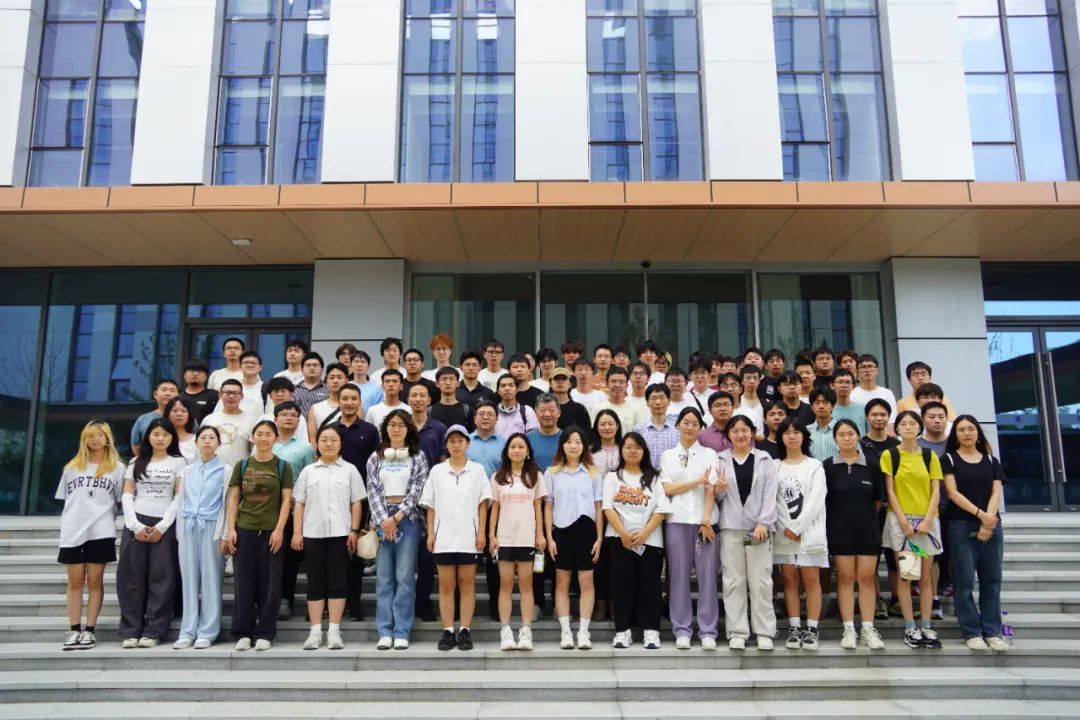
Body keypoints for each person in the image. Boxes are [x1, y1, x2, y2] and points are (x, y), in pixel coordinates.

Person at [292, 425, 366, 651]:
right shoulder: (308, 471)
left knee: (338, 582)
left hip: (341, 534)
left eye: (333, 439)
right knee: (314, 583)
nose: (329, 444)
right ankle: (315, 632)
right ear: (317, 443)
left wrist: (354, 530)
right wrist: (297, 532)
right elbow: (299, 503)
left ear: (341, 443)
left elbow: (356, 502)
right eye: (324, 439)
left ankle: (334, 630)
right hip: (312, 534)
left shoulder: (350, 470)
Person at [223, 420, 294, 652]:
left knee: (270, 585)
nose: (264, 438)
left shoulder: (283, 466)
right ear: (253, 438)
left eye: (268, 434)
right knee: (244, 584)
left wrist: (280, 529)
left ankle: (265, 632)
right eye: (260, 434)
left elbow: (286, 500)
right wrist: (231, 529)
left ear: (275, 438)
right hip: (244, 530)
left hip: (272, 532)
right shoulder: (242, 465)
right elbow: (234, 498)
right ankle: (243, 632)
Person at [56, 420, 125, 650]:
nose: (95, 439)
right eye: (90, 435)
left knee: (95, 581)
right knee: (75, 581)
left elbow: (120, 500)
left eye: (100, 435)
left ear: (107, 438)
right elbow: (67, 500)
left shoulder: (118, 468)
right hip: (73, 530)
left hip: (101, 530)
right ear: (84, 439)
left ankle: (90, 630)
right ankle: (74, 629)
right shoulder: (72, 467)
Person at [422, 425, 491, 652]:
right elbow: (430, 505)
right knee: (446, 585)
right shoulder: (437, 471)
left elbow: (483, 503)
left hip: (469, 537)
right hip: (443, 537)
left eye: (460, 440)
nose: (456, 445)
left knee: (467, 584)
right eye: (451, 441)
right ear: (446, 444)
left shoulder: (477, 470)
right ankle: (448, 631)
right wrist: (431, 533)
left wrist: (481, 532)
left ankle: (465, 630)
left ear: (467, 444)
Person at [942, 415, 1008, 651]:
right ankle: (971, 631)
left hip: (992, 526)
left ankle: (992, 631)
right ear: (955, 435)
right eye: (961, 430)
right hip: (961, 525)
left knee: (992, 580)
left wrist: (989, 522)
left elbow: (996, 493)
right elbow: (952, 493)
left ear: (978, 432)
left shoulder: (991, 460)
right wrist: (981, 515)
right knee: (964, 581)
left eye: (971, 428)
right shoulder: (949, 459)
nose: (967, 433)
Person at [118, 418, 184, 648]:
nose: (160, 438)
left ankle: (153, 631)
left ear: (171, 438)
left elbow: (179, 496)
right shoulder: (136, 461)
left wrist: (163, 526)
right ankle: (130, 630)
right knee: (131, 579)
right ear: (148, 437)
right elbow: (127, 494)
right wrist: (134, 525)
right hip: (136, 522)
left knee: (162, 579)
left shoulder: (178, 462)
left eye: (165, 434)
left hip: (164, 524)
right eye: (156, 434)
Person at [881, 410, 944, 650]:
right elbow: (889, 491)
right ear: (896, 429)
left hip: (927, 522)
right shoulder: (890, 455)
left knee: (926, 577)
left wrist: (927, 520)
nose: (908, 427)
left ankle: (926, 625)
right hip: (902, 523)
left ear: (920, 427)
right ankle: (910, 627)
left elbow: (936, 490)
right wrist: (904, 523)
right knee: (907, 575)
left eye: (912, 423)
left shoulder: (930, 456)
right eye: (903, 423)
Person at [367, 409, 429, 649]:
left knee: (404, 576)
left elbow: (417, 489)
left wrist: (397, 517)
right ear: (386, 429)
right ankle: (384, 630)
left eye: (401, 425)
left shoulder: (418, 457)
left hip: (408, 518)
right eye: (392, 424)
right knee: (384, 577)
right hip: (382, 519)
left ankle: (401, 630)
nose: (396, 429)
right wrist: (385, 520)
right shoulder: (376, 457)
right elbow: (372, 489)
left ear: (408, 428)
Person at [716, 415, 779, 650]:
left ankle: (764, 632)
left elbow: (771, 493)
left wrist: (764, 522)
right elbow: (716, 498)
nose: (740, 434)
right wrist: (719, 490)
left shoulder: (764, 459)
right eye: (735, 430)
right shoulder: (720, 460)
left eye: (744, 430)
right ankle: (737, 632)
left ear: (752, 433)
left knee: (761, 581)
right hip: (731, 528)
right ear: (728, 435)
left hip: (758, 530)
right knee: (733, 581)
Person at [661, 407, 722, 650]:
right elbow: (668, 489)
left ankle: (708, 630)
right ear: (678, 425)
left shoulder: (709, 454)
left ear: (700, 428)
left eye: (695, 423)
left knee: (707, 577)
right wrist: (695, 481)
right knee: (678, 576)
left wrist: (705, 521)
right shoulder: (668, 455)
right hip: (677, 520)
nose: (690, 427)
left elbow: (711, 489)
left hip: (704, 522)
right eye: (686, 422)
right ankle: (682, 629)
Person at [604, 432, 671, 650]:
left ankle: (651, 631)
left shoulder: (655, 477)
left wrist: (644, 533)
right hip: (619, 540)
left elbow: (662, 510)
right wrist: (624, 534)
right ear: (621, 450)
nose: (633, 451)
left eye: (638, 447)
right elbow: (608, 508)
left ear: (644, 451)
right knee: (621, 586)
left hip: (650, 541)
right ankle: (623, 631)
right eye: (628, 447)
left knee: (650, 586)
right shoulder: (612, 477)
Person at [823, 419, 887, 650]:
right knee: (845, 578)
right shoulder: (827, 467)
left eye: (850, 433)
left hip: (868, 530)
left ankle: (868, 629)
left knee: (867, 579)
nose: (847, 438)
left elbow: (878, 501)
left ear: (858, 436)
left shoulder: (871, 465)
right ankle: (849, 628)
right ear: (835, 439)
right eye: (842, 434)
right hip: (839, 531)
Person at [544, 426, 603, 650]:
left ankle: (584, 632)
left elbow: (598, 507)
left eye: (578, 442)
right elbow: (548, 507)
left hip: (587, 530)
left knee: (587, 581)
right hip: (561, 530)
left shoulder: (593, 473)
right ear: (562, 445)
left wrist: (599, 538)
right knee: (562, 581)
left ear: (584, 446)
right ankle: (566, 631)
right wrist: (549, 537)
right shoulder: (552, 473)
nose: (573, 446)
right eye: (569, 441)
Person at [173, 425, 231, 649]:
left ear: (218, 443)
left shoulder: (226, 470)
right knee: (189, 580)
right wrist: (180, 532)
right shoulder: (188, 471)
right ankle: (188, 631)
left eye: (212, 437)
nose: (207, 441)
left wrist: (224, 533)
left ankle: (208, 631)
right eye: (203, 437)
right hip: (188, 526)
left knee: (211, 580)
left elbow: (227, 504)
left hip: (212, 527)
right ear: (196, 443)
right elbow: (181, 502)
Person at [489, 433, 548, 651]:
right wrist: (491, 535)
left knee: (526, 585)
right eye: (512, 446)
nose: (516, 450)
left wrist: (540, 534)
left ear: (528, 451)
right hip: (504, 539)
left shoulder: (535, 476)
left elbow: (538, 507)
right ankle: (505, 631)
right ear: (507, 451)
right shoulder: (498, 477)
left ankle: (525, 630)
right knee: (505, 584)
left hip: (527, 538)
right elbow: (494, 508)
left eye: (521, 446)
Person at [773, 417, 827, 651]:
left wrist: (798, 528)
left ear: (804, 436)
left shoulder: (814, 466)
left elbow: (816, 499)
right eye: (787, 432)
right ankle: (794, 627)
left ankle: (812, 628)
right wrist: (787, 527)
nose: (792, 436)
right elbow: (774, 500)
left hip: (809, 532)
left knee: (811, 580)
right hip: (783, 533)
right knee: (789, 580)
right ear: (781, 437)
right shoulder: (775, 466)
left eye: (796, 432)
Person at [330, 383, 381, 623]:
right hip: (334, 498)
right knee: (335, 553)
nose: (349, 403)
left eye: (354, 399)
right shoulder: (331, 430)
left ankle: (354, 604)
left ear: (360, 402)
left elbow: (376, 465)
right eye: (345, 398)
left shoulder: (370, 430)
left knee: (356, 554)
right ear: (338, 401)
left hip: (362, 499)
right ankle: (334, 602)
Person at [270, 400, 315, 621]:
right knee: (269, 557)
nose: (289, 418)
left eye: (293, 415)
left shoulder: (305, 447)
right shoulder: (265, 442)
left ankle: (285, 599)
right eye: (284, 414)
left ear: (299, 421)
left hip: (294, 510)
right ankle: (267, 599)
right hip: (267, 509)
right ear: (275, 419)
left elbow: (310, 478)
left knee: (289, 559)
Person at [861, 397, 901, 618]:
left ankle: (897, 599)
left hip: (896, 507)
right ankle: (876, 600)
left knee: (896, 556)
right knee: (872, 557)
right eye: (874, 414)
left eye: (883, 414)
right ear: (867, 417)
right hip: (871, 507)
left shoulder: (897, 444)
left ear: (888, 417)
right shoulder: (859, 444)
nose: (878, 418)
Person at [201, 379, 254, 467]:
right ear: (220, 395)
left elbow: (254, 450)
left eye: (235, 393)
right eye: (227, 393)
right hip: (211, 471)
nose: (231, 396)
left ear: (242, 396)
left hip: (238, 472)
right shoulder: (209, 420)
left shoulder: (250, 421)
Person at [633, 383, 678, 470]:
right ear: (647, 403)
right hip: (646, 475)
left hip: (671, 476)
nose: (658, 402)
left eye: (662, 397)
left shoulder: (678, 430)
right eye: (653, 398)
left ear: (669, 401)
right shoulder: (638, 430)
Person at [130, 379, 180, 455]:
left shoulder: (185, 418)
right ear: (155, 394)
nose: (168, 393)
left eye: (172, 391)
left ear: (178, 395)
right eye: (164, 390)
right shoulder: (143, 419)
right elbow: (136, 446)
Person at [590, 366, 645, 431]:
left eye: (621, 382)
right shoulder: (597, 408)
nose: (617, 385)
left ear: (627, 385)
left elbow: (639, 433)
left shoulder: (635, 409)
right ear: (607, 384)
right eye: (613, 381)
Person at [308, 362, 350, 446]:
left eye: (339, 377)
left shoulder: (354, 407)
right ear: (326, 381)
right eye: (331, 377)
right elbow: (312, 439)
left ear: (346, 381)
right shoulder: (315, 408)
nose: (335, 381)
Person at [851, 354, 896, 423]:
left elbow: (892, 421)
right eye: (863, 367)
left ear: (877, 370)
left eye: (870, 366)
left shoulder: (887, 393)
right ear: (857, 371)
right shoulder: (851, 394)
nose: (867, 370)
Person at [526, 393, 563, 471]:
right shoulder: (527, 439)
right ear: (536, 414)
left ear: (559, 412)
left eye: (552, 410)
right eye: (542, 410)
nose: (547, 414)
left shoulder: (566, 438)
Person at [550, 367, 591, 433]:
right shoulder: (545, 408)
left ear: (570, 384)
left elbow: (586, 434)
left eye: (564, 379)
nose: (560, 381)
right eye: (556, 379)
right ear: (550, 384)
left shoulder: (579, 409)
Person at [431, 366, 472, 430]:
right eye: (444, 379)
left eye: (451, 379)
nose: (448, 383)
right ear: (437, 384)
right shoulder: (430, 411)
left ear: (458, 383)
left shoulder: (467, 410)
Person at [180, 359, 219, 424]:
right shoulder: (178, 395)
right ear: (184, 375)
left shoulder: (214, 395)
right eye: (191, 370)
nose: (195, 374)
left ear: (206, 376)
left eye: (199, 371)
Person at [293, 352, 329, 417]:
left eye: (315, 365)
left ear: (322, 370)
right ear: (302, 369)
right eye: (308, 365)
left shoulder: (329, 389)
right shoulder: (293, 390)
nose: (312, 368)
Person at [830, 369, 866, 434]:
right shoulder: (828, 410)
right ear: (832, 385)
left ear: (854, 386)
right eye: (840, 382)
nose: (844, 385)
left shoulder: (863, 409)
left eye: (848, 382)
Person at [807, 387, 838, 461]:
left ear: (833, 406)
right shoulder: (806, 431)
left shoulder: (842, 430)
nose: (821, 406)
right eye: (817, 403)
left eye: (825, 402)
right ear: (812, 407)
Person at [165, 397, 197, 464]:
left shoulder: (196, 440)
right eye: (175, 411)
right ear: (167, 413)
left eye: (183, 411)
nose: (179, 414)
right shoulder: (160, 439)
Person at [590, 409, 623, 474]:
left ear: (617, 426)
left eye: (611, 424)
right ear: (597, 428)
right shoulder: (589, 452)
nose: (607, 428)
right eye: (603, 424)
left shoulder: (624, 450)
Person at [735, 364, 765, 431]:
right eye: (748, 378)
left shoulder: (765, 403)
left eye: (755, 378)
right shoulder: (737, 402)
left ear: (759, 381)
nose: (752, 381)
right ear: (742, 381)